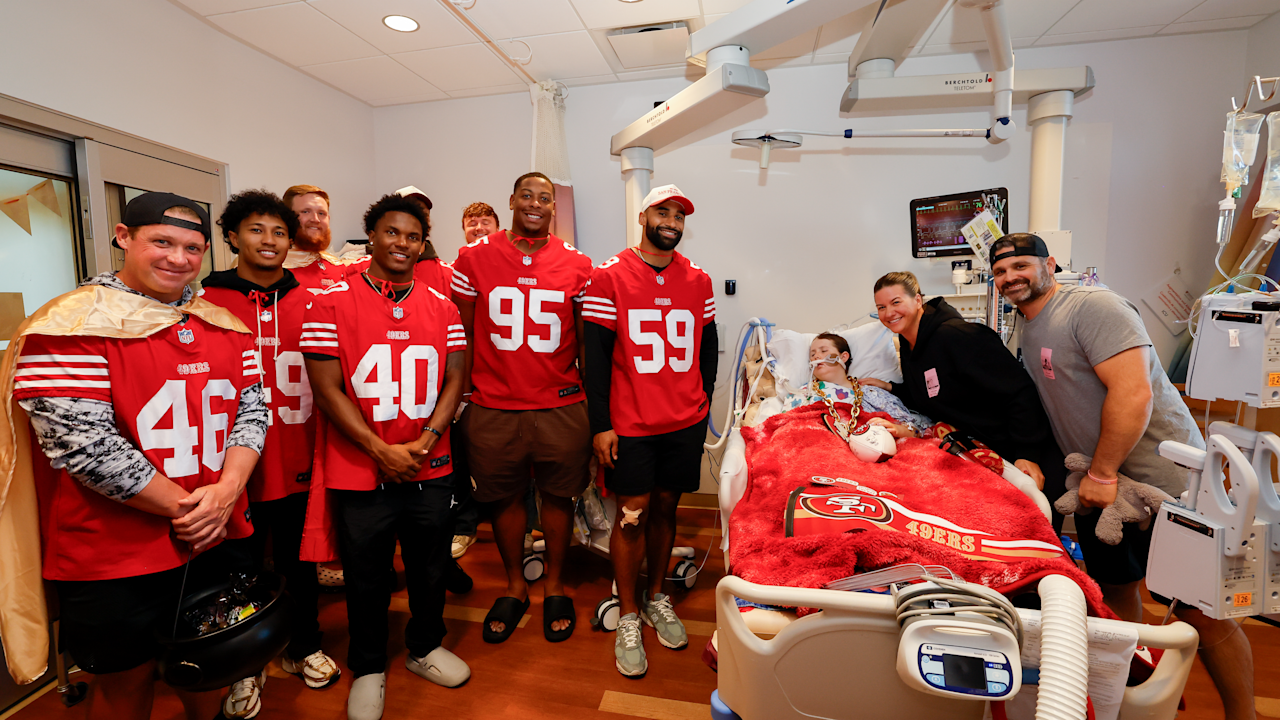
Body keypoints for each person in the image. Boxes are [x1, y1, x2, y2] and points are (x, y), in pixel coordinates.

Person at [4, 192, 268, 720]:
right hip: (115, 550)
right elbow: (83, 443)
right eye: (161, 242)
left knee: (209, 660)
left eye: (193, 248)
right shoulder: (70, 326)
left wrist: (227, 493)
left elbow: (251, 412)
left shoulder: (223, 323)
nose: (178, 258)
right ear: (124, 237)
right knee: (126, 682)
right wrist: (197, 511)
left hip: (213, 534)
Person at [991, 232, 1257, 720]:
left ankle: (1243, 714)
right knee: (1115, 590)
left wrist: (1104, 470)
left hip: (1164, 482)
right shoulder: (1028, 327)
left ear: (1050, 263)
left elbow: (1134, 395)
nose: (1010, 278)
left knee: (1199, 611)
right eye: (1001, 272)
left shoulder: (1092, 307)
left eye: (1021, 266)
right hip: (1096, 487)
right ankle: (1142, 695)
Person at [302, 194, 470, 720]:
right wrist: (379, 449)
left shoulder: (442, 306)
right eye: (392, 233)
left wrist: (426, 439)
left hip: (429, 463)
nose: (402, 243)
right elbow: (327, 390)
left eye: (413, 236)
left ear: (424, 244)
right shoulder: (329, 302)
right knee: (367, 574)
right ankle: (369, 666)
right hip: (360, 467)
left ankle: (424, 647)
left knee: (429, 566)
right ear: (370, 236)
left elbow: (455, 377)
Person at [200, 190, 340, 718]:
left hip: (301, 452)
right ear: (232, 237)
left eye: (279, 232)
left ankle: (303, 645)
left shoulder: (314, 298)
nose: (270, 241)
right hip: (231, 468)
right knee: (235, 568)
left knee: (299, 562)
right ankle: (244, 663)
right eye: (257, 230)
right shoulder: (203, 302)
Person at [450, 172, 593, 643]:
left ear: (554, 206)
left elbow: (585, 343)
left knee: (558, 497)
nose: (535, 203)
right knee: (503, 498)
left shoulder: (578, 264)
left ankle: (554, 584)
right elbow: (462, 335)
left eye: (544, 198)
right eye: (526, 195)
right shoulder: (473, 257)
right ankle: (514, 585)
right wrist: (463, 397)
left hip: (559, 403)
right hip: (493, 403)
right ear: (511, 200)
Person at [583, 184, 717, 677]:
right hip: (631, 423)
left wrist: (699, 408)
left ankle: (658, 595)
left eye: (680, 215)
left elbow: (707, 350)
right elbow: (594, 360)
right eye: (663, 212)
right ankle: (629, 613)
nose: (672, 222)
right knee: (631, 515)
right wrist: (602, 425)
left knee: (666, 507)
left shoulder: (698, 279)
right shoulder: (609, 276)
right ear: (643, 216)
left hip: (682, 421)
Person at [859, 271, 1062, 494]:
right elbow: (931, 393)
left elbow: (1019, 392)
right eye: (881, 307)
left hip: (1020, 453)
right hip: (977, 451)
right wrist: (890, 388)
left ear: (918, 300)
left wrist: (1027, 454)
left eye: (896, 302)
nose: (889, 313)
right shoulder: (909, 345)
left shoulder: (959, 337)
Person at [448, 201, 503, 560]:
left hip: (507, 388)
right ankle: (464, 526)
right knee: (462, 461)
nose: (479, 227)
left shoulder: (506, 268)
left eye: (486, 222)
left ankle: (524, 526)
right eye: (472, 223)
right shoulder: (453, 270)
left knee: (511, 464)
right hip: (466, 387)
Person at [800, 333, 932, 437]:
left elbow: (913, 428)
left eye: (823, 351)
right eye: (812, 354)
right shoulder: (803, 393)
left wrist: (899, 429)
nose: (816, 356)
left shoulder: (871, 393)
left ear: (843, 357)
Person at [282, 184, 347, 291]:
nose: (315, 219)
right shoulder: (273, 269)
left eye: (321, 213)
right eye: (305, 212)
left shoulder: (338, 266)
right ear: (286, 217)